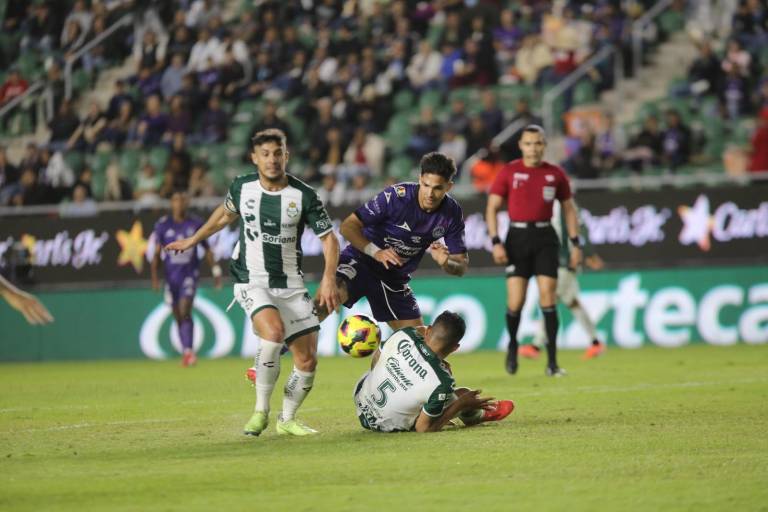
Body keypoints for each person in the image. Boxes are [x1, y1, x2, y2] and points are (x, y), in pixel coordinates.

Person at [165, 129, 340, 437]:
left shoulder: (304, 195)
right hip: (251, 278)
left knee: (307, 360)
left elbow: (329, 240)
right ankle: (260, 411)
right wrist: (194, 239)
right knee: (273, 334)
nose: (272, 160)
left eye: (277, 153)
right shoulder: (242, 187)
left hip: (291, 283)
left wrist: (327, 279)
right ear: (254, 158)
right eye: (265, 154)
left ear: (286, 156)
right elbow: (223, 216)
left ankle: (287, 420)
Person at [317, 152, 468, 331]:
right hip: (361, 260)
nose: (430, 193)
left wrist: (446, 262)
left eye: (438, 188)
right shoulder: (396, 197)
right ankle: (283, 349)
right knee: (326, 300)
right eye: (426, 185)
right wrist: (376, 252)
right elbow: (348, 226)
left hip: (394, 278)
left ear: (449, 187)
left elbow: (461, 266)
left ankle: (384, 356)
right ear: (420, 179)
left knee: (416, 343)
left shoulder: (452, 214)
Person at [485, 125, 582, 377]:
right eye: (528, 143)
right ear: (521, 145)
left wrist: (575, 242)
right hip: (517, 237)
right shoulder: (509, 171)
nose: (533, 148)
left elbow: (569, 208)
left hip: (545, 237)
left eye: (538, 143)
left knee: (548, 298)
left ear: (544, 145)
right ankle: (513, 345)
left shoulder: (555, 174)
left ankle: (552, 362)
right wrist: (496, 241)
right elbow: (492, 207)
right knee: (516, 301)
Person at [353, 311, 514, 433]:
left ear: (428, 330)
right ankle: (479, 414)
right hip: (385, 425)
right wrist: (460, 404)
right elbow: (423, 428)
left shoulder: (404, 334)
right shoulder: (442, 382)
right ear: (455, 348)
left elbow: (376, 360)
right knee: (463, 394)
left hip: (360, 402)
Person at [524, 200, 606, 361]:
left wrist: (589, 253)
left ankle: (536, 345)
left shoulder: (564, 204)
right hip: (556, 260)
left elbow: (580, 228)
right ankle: (596, 343)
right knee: (572, 302)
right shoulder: (550, 203)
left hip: (565, 261)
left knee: (550, 301)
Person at [151, 190, 222, 367]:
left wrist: (216, 271)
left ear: (187, 203)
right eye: (176, 200)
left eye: (183, 200)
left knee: (185, 310)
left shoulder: (196, 223)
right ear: (171, 203)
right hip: (171, 278)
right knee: (178, 316)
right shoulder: (163, 225)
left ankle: (189, 352)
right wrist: (154, 277)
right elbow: (157, 254)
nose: (180, 204)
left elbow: (207, 250)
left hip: (189, 275)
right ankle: (186, 352)